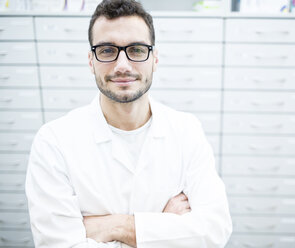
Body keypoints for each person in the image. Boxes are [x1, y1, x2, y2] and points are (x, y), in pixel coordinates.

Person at [25, 0, 232, 247]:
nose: (122, 66)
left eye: (136, 50)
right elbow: (57, 245)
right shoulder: (54, 141)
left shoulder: (186, 130)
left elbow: (215, 230)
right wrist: (164, 226)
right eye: (107, 51)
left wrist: (115, 226)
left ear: (154, 59)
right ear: (91, 61)